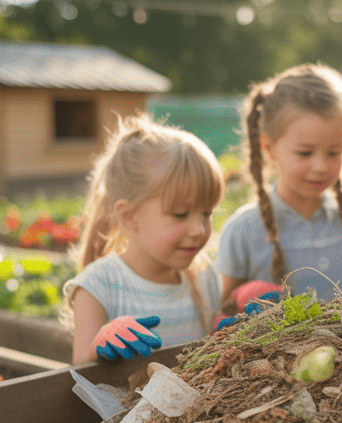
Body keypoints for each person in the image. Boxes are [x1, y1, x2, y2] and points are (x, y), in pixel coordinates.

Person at [64, 115, 224, 364]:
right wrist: (99, 344)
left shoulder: (204, 278)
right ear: (129, 216)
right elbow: (79, 370)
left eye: (206, 213)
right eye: (180, 214)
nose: (198, 229)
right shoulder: (100, 285)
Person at [217, 64, 342, 302]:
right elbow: (224, 312)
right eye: (305, 153)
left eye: (334, 152)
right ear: (269, 148)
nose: (321, 167)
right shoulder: (242, 232)